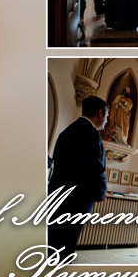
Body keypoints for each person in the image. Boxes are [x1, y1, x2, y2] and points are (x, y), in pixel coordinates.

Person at [47, 96, 108, 260]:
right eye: (107, 116)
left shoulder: (65, 132)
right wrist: (101, 192)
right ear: (100, 113)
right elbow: (96, 168)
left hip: (56, 195)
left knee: (53, 244)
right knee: (67, 245)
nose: (106, 121)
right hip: (77, 201)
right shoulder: (92, 135)